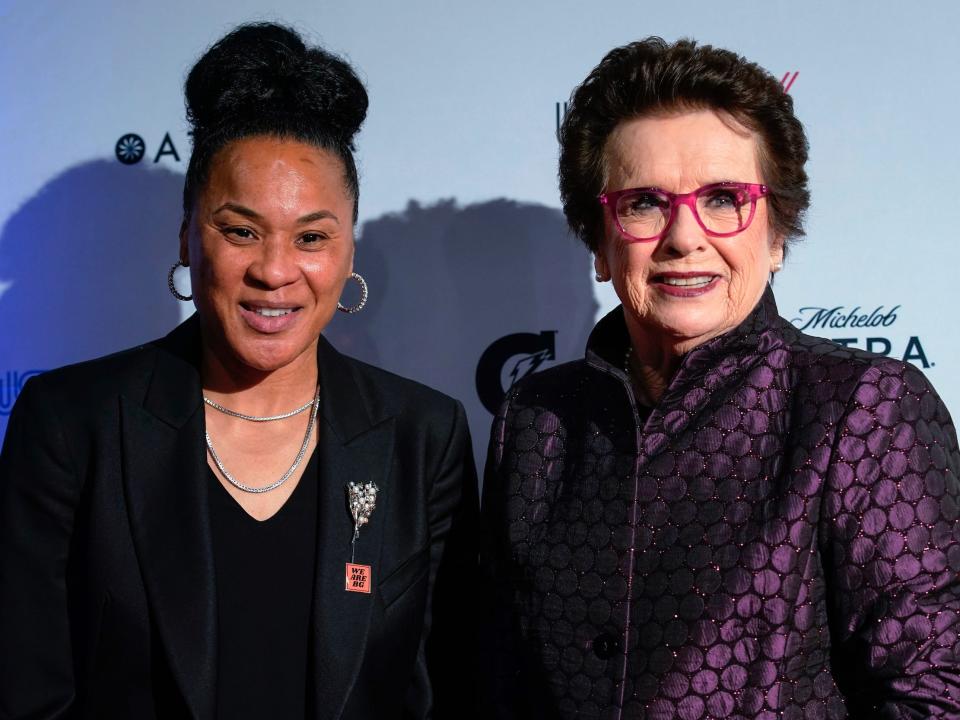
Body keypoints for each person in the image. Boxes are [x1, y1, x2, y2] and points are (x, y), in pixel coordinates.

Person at [0, 23, 477, 719]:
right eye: (241, 230)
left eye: (311, 237)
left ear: (348, 250)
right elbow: (27, 696)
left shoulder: (423, 437)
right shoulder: (72, 426)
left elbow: (448, 693)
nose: (275, 271)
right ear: (188, 235)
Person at [479, 37, 960, 719]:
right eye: (644, 202)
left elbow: (932, 696)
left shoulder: (861, 408)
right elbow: (497, 682)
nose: (684, 236)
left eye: (725, 197)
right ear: (599, 243)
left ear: (777, 236)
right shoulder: (537, 418)